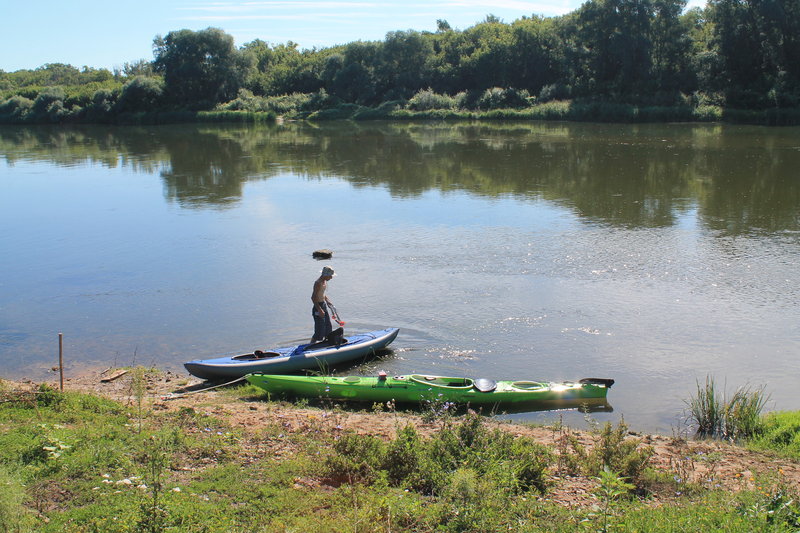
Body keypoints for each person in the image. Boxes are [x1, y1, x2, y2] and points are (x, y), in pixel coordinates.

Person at [311, 266, 335, 342]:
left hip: (323, 305)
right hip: (317, 306)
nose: (331, 278)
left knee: (328, 327)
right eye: (330, 276)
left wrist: (327, 300)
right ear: (325, 275)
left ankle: (326, 344)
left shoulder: (324, 281)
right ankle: (309, 346)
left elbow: (322, 294)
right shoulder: (318, 283)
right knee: (319, 330)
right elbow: (313, 297)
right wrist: (319, 309)